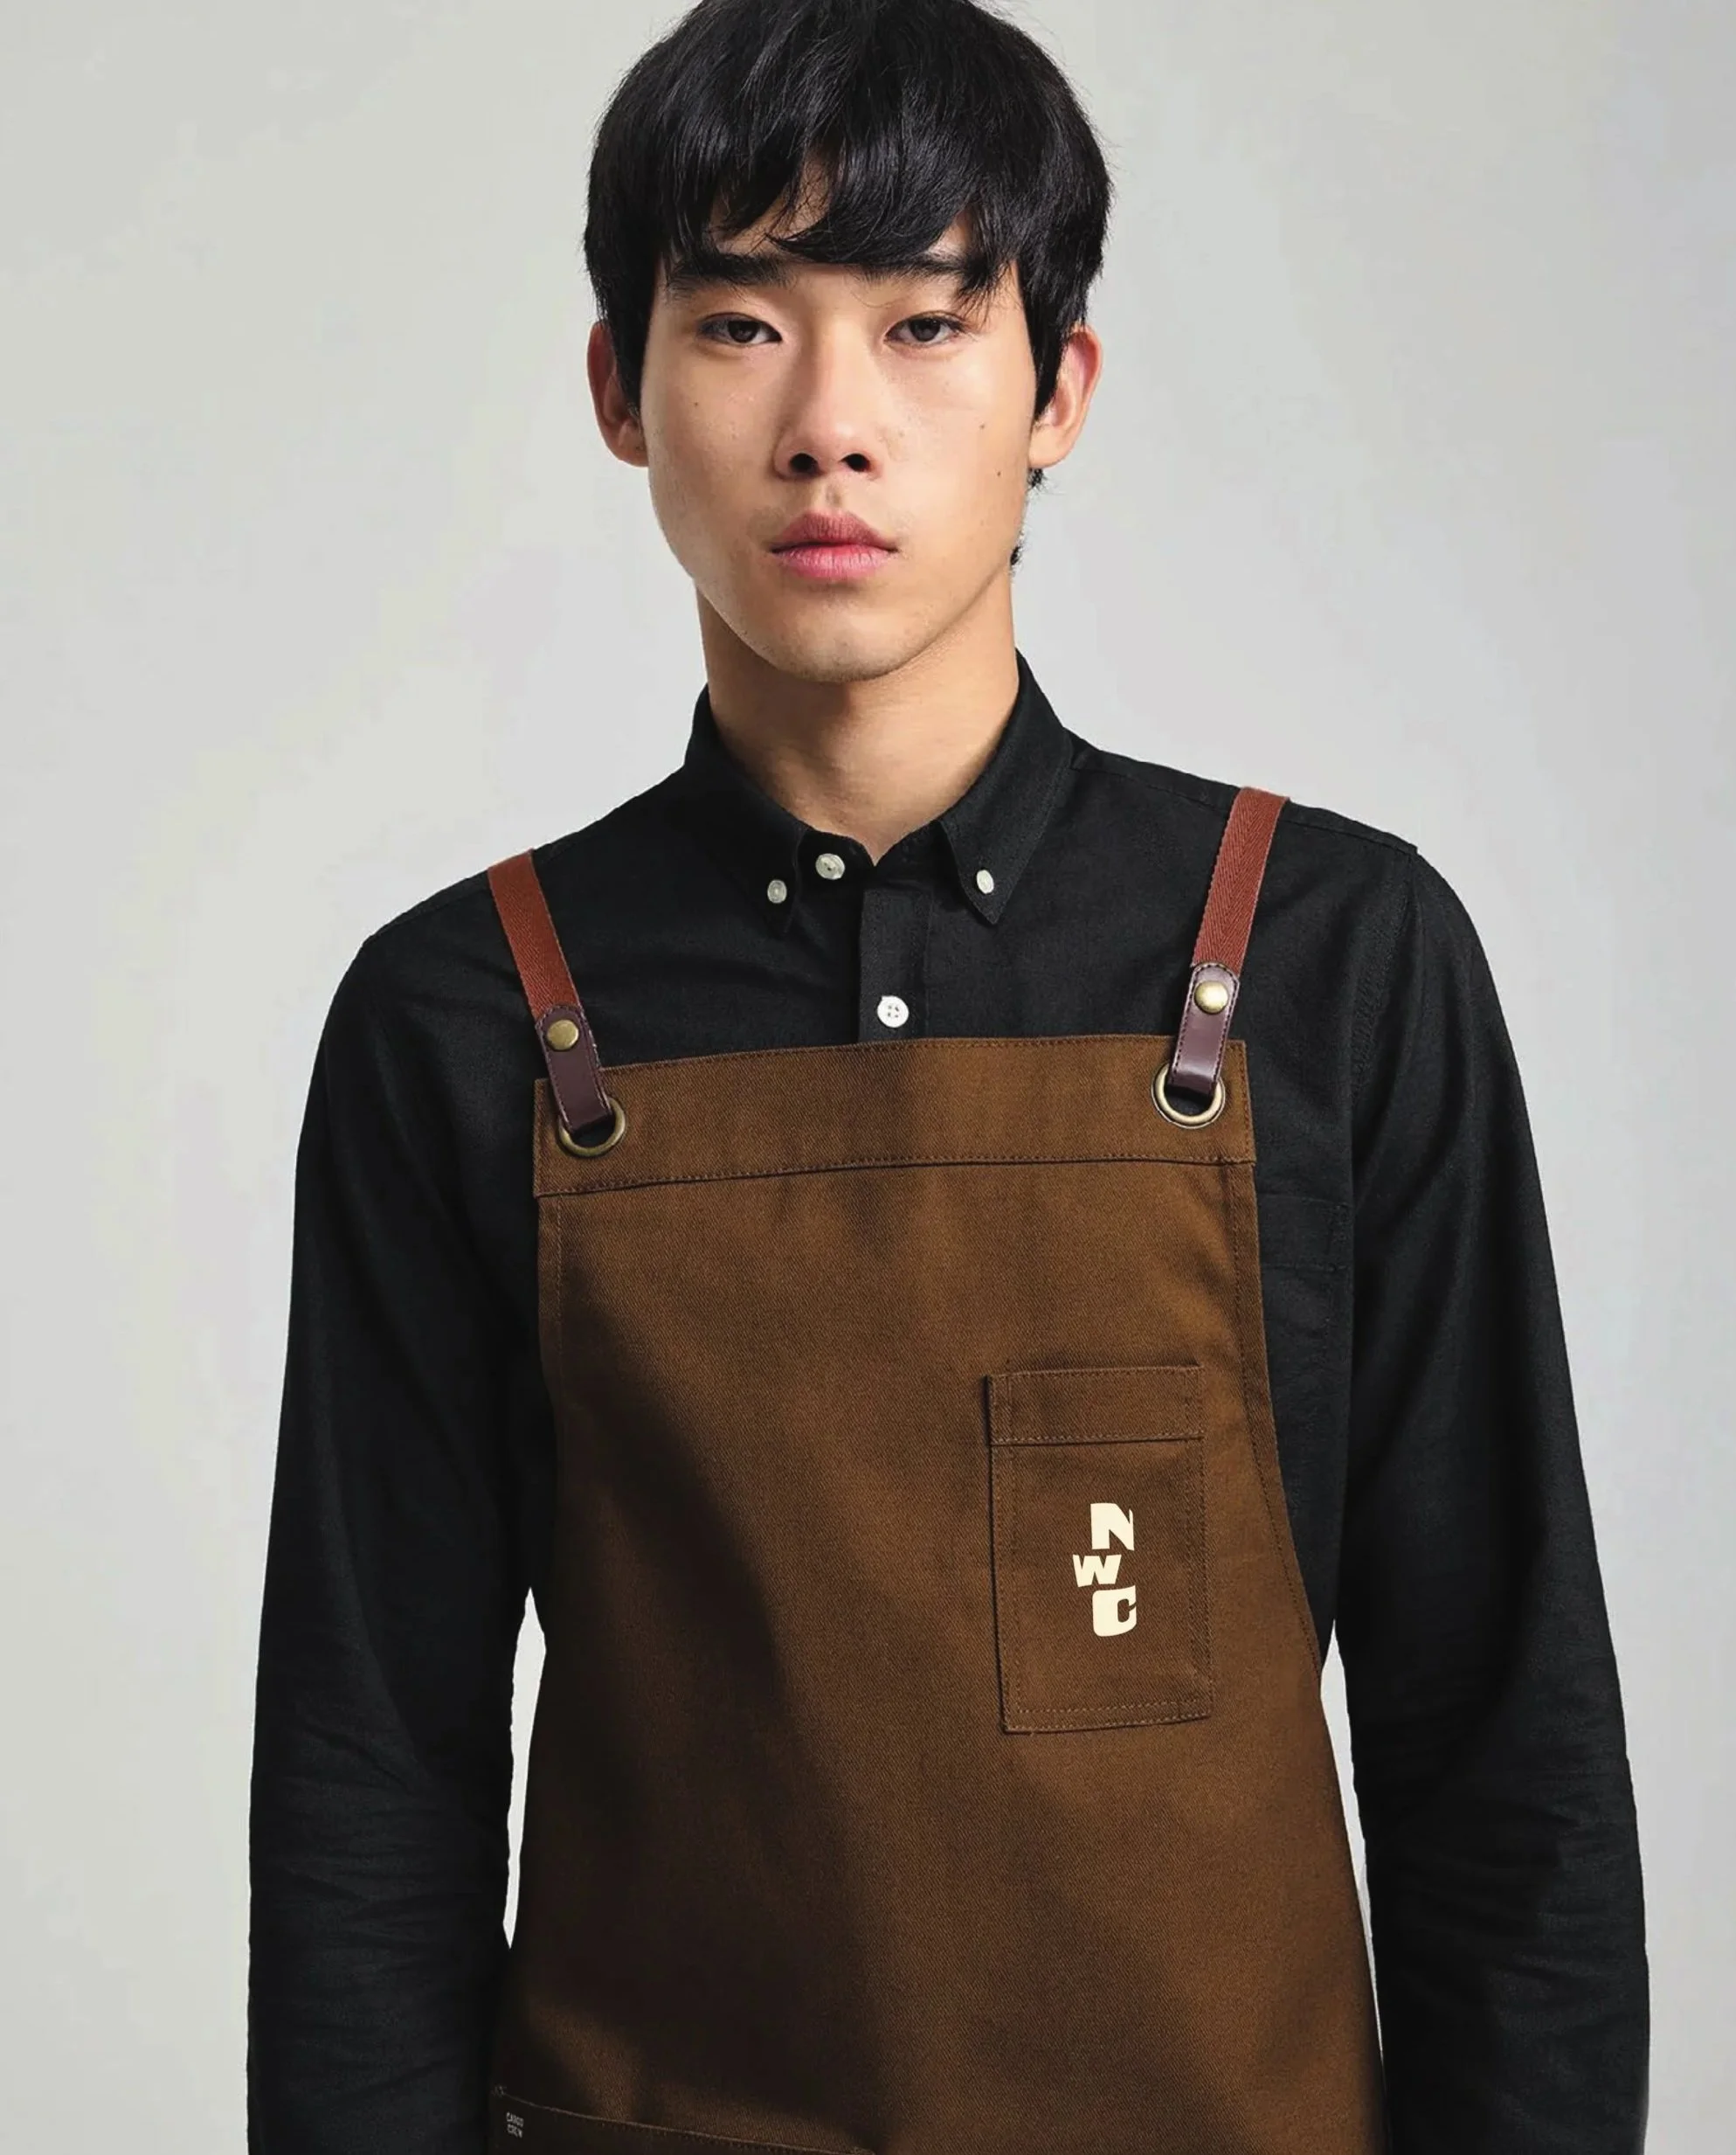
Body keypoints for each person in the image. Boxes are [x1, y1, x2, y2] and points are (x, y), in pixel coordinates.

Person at [246, 3, 1649, 2150]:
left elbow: (1505, 1757)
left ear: (1058, 388)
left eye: (924, 324)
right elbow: (371, 1784)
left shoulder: (1338, 962)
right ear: (620, 390)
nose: (832, 428)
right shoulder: (463, 1017)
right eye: (740, 326)